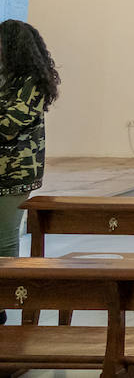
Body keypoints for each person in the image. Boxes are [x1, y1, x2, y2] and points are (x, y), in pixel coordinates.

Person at [0, 20, 60, 268]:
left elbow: (9, 125)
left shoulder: (32, 82)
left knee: (3, 239)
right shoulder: (5, 77)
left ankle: (3, 299)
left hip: (16, 171)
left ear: (14, 46)